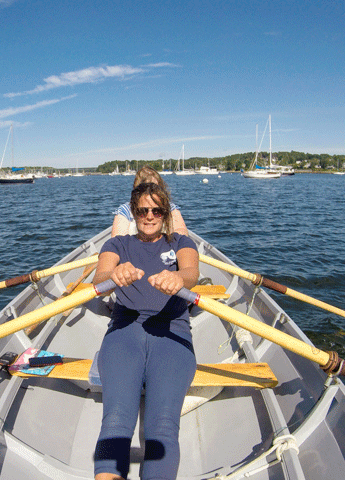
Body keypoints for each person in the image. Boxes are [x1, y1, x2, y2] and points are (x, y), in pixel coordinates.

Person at [92, 182, 199, 480]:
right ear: (134, 212)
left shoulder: (181, 243)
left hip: (172, 334)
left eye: (157, 210)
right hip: (125, 332)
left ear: (166, 212)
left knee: (162, 426)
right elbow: (99, 277)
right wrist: (114, 275)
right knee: (114, 421)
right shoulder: (117, 245)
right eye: (142, 210)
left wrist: (179, 278)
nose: (149, 216)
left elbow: (192, 273)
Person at [111, 166, 188, 237]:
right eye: (142, 211)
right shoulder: (126, 210)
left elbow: (181, 232)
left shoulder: (170, 208)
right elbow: (117, 239)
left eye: (154, 188)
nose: (150, 217)